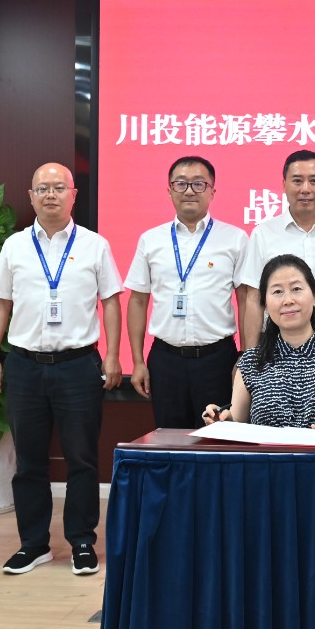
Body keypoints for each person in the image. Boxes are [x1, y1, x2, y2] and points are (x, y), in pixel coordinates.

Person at [0, 162, 123, 577]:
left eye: (59, 187)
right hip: (25, 366)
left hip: (78, 366)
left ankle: (82, 542)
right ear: (31, 196)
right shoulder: (15, 246)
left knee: (82, 459)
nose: (50, 194)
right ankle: (33, 544)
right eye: (42, 188)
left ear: (73, 195)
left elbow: (111, 302)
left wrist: (113, 355)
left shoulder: (95, 245)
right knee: (28, 461)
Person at [123, 155, 248, 429]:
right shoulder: (151, 240)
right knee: (169, 438)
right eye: (181, 183)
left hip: (217, 360)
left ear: (213, 191)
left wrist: (246, 358)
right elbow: (138, 301)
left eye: (199, 184)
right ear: (169, 190)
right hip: (166, 361)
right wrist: (137, 361)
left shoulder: (235, 239)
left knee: (217, 439)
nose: (189, 190)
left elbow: (246, 301)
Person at [203, 254, 315, 435]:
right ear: (265, 304)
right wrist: (222, 420)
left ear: (314, 295)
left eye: (296, 289)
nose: (288, 300)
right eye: (277, 292)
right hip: (269, 453)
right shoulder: (250, 361)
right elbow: (237, 423)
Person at [237, 149, 315, 348]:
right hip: (275, 341)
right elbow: (254, 299)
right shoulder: (263, 234)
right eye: (297, 181)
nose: (305, 189)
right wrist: (249, 356)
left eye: (314, 181)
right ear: (284, 184)